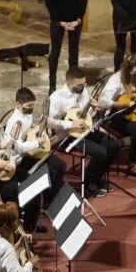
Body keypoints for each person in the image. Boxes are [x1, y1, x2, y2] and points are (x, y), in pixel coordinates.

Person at [49, 67, 119, 198]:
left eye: (84, 84)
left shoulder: (84, 92)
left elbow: (87, 116)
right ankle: (89, 183)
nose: (82, 88)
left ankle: (97, 177)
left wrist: (92, 109)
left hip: (84, 129)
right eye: (79, 85)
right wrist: (70, 124)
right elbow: (50, 121)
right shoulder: (56, 97)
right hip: (67, 136)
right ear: (69, 84)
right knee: (101, 153)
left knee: (113, 145)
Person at [4, 87, 66, 208]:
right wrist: (37, 142)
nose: (31, 108)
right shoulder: (15, 121)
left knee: (60, 165)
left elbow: (28, 131)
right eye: (29, 105)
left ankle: (52, 197)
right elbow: (16, 147)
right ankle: (48, 202)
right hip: (20, 160)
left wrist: (37, 126)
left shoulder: (26, 114)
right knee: (50, 171)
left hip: (31, 151)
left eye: (33, 105)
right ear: (18, 104)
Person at [99, 53, 136, 176]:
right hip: (119, 113)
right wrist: (124, 105)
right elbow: (102, 101)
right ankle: (131, 160)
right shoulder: (116, 79)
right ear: (127, 70)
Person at [45, 0, 88, 94]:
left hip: (75, 21)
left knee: (73, 52)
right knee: (55, 53)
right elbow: (49, 1)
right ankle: (52, 84)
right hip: (58, 21)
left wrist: (78, 20)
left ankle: (73, 84)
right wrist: (59, 21)